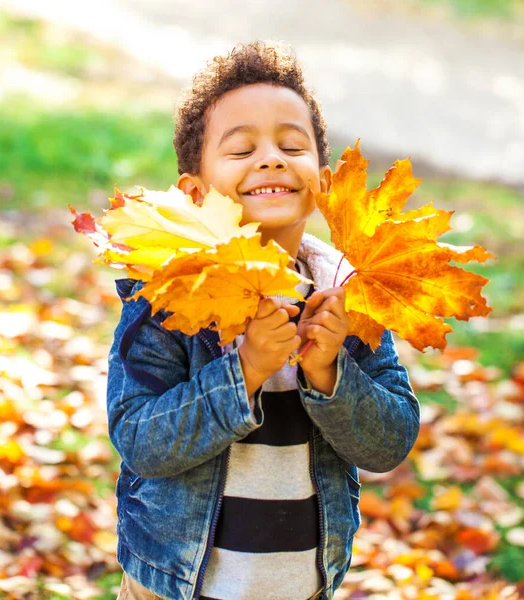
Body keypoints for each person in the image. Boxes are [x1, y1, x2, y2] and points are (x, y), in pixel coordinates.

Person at [108, 40, 420, 600]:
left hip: (301, 584)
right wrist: (244, 371)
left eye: (291, 145)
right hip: (173, 584)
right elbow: (140, 440)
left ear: (322, 180)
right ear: (196, 192)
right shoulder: (171, 296)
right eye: (242, 149)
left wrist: (331, 375)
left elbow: (389, 442)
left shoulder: (346, 294)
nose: (271, 159)